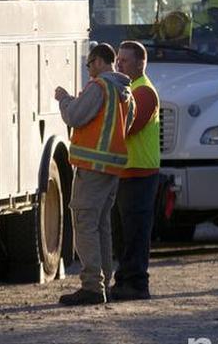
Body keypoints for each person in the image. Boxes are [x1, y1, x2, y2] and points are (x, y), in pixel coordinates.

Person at [54, 43, 133, 305]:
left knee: (85, 223)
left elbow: (75, 116)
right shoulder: (125, 91)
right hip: (112, 167)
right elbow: (126, 126)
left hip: (92, 167)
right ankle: (103, 283)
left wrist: (65, 99)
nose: (89, 71)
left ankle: (91, 286)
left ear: (98, 62)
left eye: (89, 65)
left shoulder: (100, 87)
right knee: (101, 225)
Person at [110, 40, 160, 301]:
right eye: (118, 60)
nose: (119, 64)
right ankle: (124, 281)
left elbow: (128, 125)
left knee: (135, 234)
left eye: (124, 61)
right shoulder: (129, 89)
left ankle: (137, 284)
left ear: (141, 64)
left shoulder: (143, 92)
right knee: (123, 233)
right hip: (127, 172)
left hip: (140, 174)